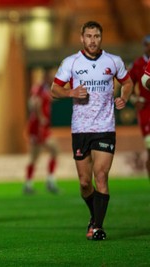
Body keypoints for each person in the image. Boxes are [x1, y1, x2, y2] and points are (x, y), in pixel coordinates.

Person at [51, 21, 133, 241]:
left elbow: (128, 82)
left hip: (105, 128)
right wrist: (71, 93)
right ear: (82, 38)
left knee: (101, 176)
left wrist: (124, 97)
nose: (92, 40)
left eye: (96, 36)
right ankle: (93, 215)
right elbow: (54, 89)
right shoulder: (71, 63)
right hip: (80, 129)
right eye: (88, 36)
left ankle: (97, 226)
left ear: (101, 37)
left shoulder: (113, 61)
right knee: (85, 183)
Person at [24, 71, 59, 194]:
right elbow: (34, 103)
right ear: (46, 76)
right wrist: (40, 117)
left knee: (54, 150)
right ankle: (30, 184)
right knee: (35, 155)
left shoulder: (45, 89)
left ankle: (48, 180)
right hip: (37, 127)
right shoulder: (39, 88)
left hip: (41, 127)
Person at [129, 35, 150, 178]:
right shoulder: (137, 64)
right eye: (147, 44)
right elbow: (128, 86)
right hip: (146, 110)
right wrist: (134, 99)